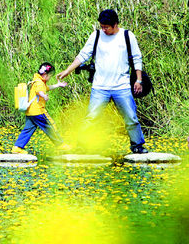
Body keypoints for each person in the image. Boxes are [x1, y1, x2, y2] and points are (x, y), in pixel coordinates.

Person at [56, 9, 148, 154]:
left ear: (115, 24)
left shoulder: (127, 36)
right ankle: (81, 145)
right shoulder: (97, 35)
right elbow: (83, 55)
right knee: (91, 117)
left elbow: (137, 58)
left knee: (131, 117)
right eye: (102, 26)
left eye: (106, 27)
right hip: (100, 86)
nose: (103, 29)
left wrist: (139, 80)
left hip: (121, 86)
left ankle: (137, 145)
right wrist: (68, 70)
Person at [12, 63, 70, 154]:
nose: (50, 78)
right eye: (50, 76)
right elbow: (39, 91)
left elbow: (46, 88)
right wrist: (44, 96)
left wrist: (58, 85)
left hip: (30, 112)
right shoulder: (39, 83)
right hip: (38, 111)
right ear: (46, 75)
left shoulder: (37, 80)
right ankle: (60, 145)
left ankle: (17, 147)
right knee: (51, 125)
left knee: (28, 129)